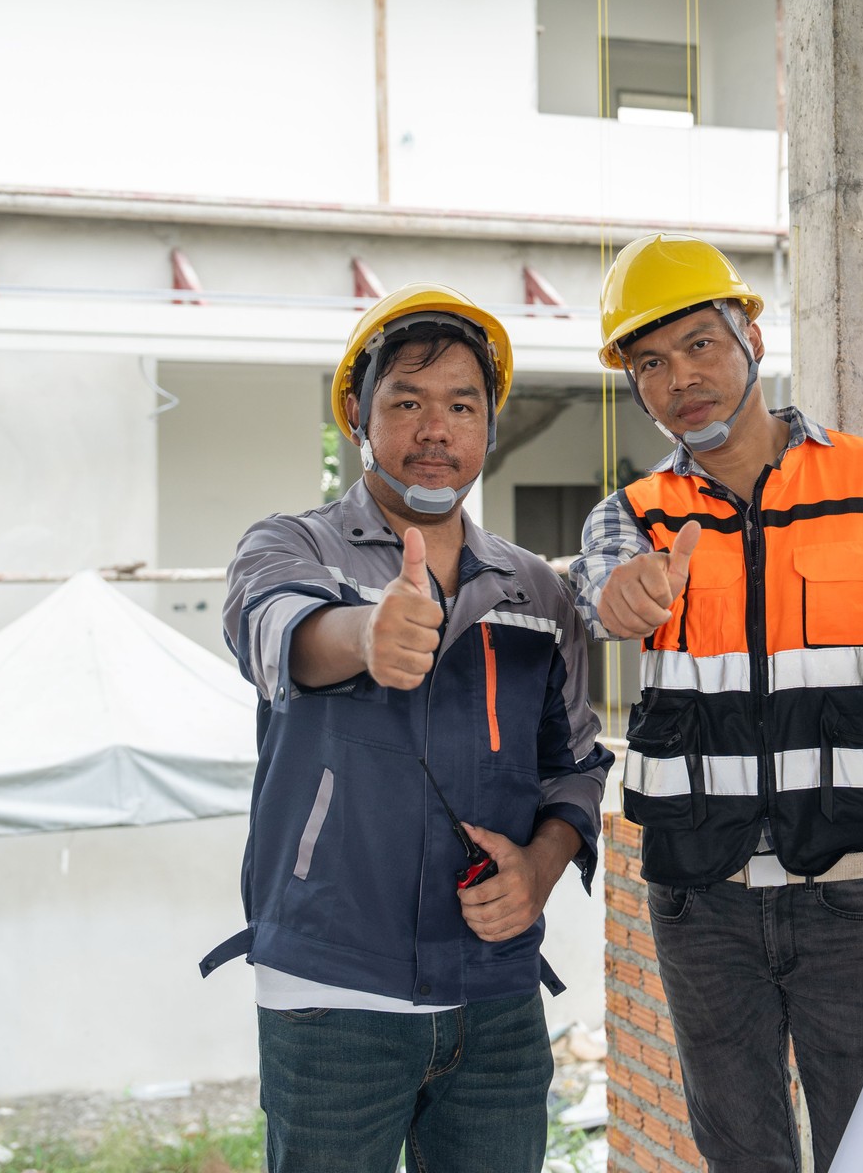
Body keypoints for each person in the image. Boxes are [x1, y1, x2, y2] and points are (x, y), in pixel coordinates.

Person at [569, 233, 863, 1173]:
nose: (681, 378)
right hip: (700, 910)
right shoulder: (629, 517)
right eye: (650, 363)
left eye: (699, 346)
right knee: (741, 1160)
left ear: (749, 333)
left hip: (855, 902)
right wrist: (623, 593)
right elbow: (596, 588)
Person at [204, 284, 612, 1173]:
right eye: (409, 402)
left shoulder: (536, 593)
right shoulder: (292, 546)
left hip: (497, 1002)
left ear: (489, 427)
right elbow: (273, 632)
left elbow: (576, 766)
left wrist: (540, 869)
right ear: (358, 412)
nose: (438, 429)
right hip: (331, 998)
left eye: (462, 405)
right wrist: (362, 632)